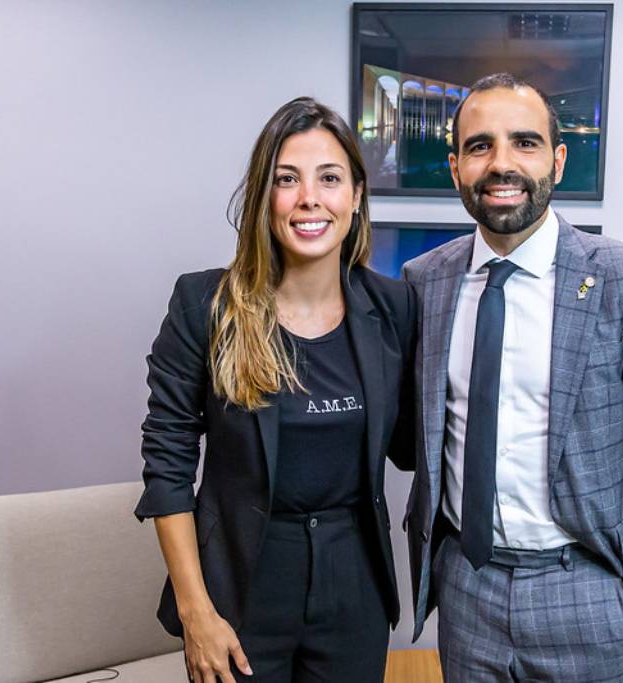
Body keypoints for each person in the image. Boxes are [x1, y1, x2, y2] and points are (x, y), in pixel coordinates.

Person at [401, 73, 623, 682]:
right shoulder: (424, 281)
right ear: (456, 166)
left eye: (525, 142)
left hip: (589, 593)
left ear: (557, 159)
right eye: (480, 146)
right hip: (468, 591)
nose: (502, 164)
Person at [134, 97, 415, 683]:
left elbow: (416, 443)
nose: (310, 197)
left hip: (354, 583)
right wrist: (196, 612)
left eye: (330, 178)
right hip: (241, 584)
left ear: (356, 196)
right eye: (288, 179)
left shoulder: (393, 308)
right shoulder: (204, 306)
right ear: (266, 196)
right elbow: (167, 468)